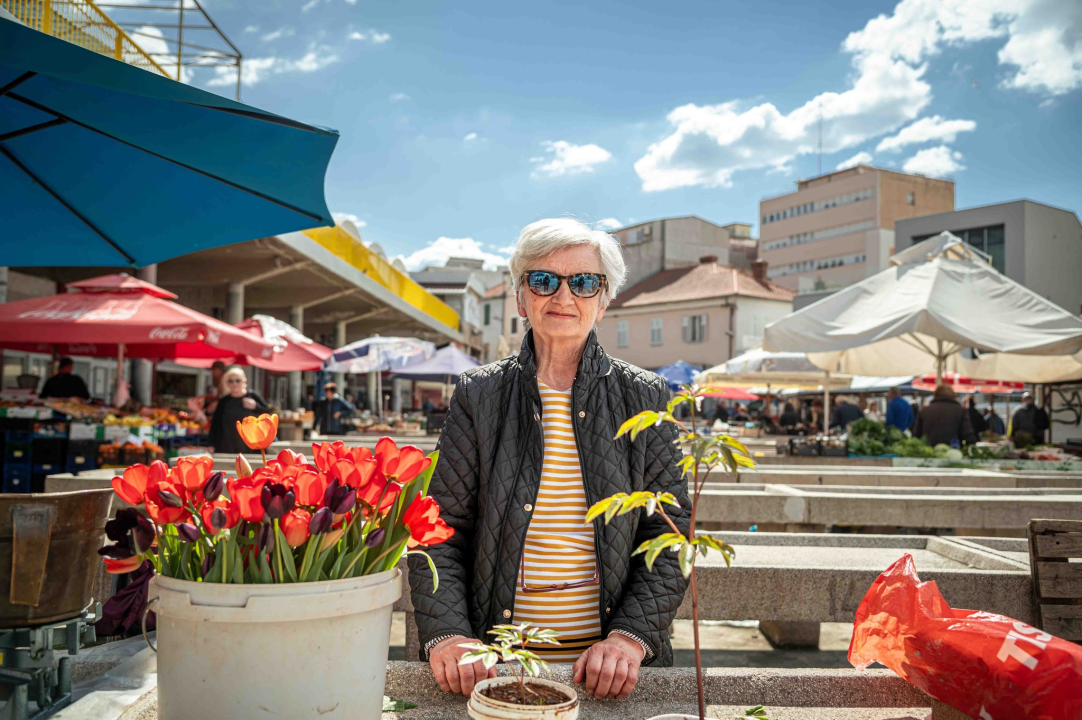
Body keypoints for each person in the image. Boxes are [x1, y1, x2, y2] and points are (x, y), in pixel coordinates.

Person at [408, 218, 689, 702]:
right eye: (543, 280)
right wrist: (448, 633)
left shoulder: (645, 394)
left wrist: (630, 637)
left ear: (603, 301)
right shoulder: (479, 393)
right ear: (521, 298)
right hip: (496, 666)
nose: (564, 297)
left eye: (583, 282)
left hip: (607, 669)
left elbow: (670, 534)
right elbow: (438, 528)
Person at [208, 368, 271, 454]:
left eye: (238, 380)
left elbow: (268, 415)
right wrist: (211, 444)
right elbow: (215, 424)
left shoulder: (253, 396)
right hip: (227, 446)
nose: (234, 384)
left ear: (244, 381)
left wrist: (256, 406)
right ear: (227, 383)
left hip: (251, 446)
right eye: (231, 381)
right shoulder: (224, 401)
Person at [912, 384, 977, 447]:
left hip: (928, 452)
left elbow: (916, 435)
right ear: (954, 396)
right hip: (954, 452)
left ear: (935, 395)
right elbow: (968, 435)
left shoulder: (924, 410)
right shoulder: (961, 411)